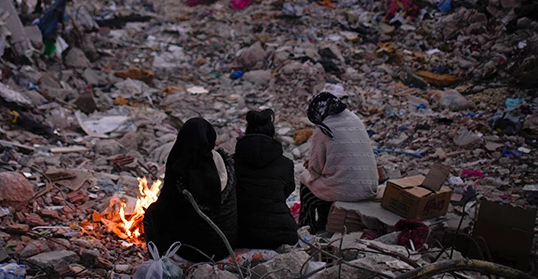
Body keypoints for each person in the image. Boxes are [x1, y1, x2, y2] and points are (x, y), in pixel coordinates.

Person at [143, 118, 238, 262]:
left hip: (191, 251)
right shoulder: (225, 163)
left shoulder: (180, 167)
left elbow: (165, 209)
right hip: (225, 246)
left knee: (152, 214)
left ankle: (158, 259)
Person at [299, 92, 378, 233]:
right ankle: (325, 219)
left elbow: (315, 170)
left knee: (305, 180)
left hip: (347, 191)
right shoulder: (355, 119)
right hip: (369, 188)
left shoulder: (324, 129)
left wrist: (310, 164)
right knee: (329, 179)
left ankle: (307, 226)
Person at [234, 109, 298, 249]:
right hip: (280, 234)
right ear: (272, 132)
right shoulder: (286, 163)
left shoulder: (232, 162)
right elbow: (287, 191)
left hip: (239, 234)